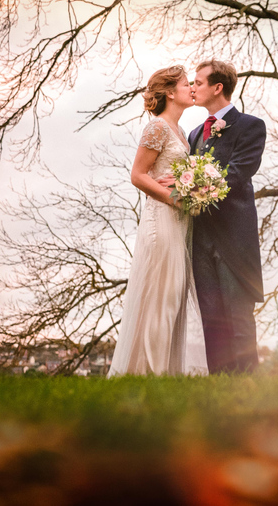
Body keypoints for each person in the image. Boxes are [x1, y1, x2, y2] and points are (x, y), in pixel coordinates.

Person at [107, 66, 208, 376]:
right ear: (169, 93)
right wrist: (175, 198)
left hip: (179, 223)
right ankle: (149, 372)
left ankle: (163, 371)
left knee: (173, 297)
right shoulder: (158, 128)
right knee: (161, 296)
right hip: (162, 219)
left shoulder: (180, 133)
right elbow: (138, 175)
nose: (191, 88)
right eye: (185, 84)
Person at [187, 60, 266, 373]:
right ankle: (219, 387)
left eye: (198, 82)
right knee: (211, 319)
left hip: (234, 238)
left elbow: (238, 173)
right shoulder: (194, 134)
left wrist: (192, 189)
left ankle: (248, 386)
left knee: (237, 317)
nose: (192, 88)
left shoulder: (250, 125)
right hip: (200, 237)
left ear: (217, 87)